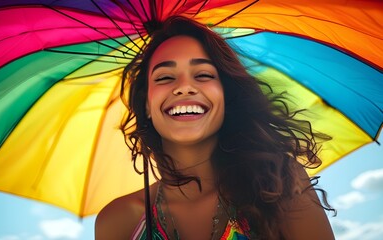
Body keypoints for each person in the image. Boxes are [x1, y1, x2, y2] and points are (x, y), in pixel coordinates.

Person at [95, 16, 336, 240]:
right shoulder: (117, 220)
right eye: (165, 77)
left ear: (226, 96)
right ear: (147, 104)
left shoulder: (278, 183)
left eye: (202, 74)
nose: (184, 87)